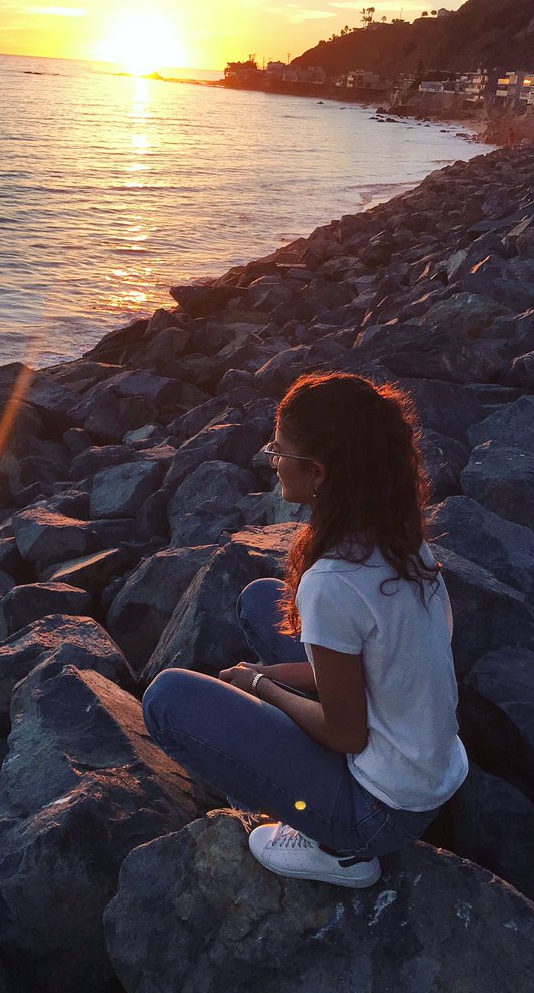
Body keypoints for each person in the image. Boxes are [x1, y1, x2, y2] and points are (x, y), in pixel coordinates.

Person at [143, 373, 468, 889]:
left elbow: (347, 733)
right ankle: (297, 769)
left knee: (168, 698)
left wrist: (262, 687)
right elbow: (380, 664)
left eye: (279, 450)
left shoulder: (333, 582)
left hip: (377, 813)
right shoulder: (398, 538)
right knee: (261, 600)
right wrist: (267, 672)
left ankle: (336, 850)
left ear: (317, 472)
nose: (271, 460)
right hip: (432, 766)